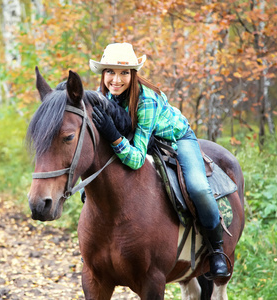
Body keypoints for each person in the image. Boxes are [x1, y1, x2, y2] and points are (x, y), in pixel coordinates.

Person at [89, 42, 230, 280]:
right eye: (110, 72)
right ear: (103, 74)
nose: (116, 79)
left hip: (176, 138)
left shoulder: (147, 100)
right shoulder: (103, 95)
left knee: (198, 187)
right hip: (138, 136)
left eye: (124, 72)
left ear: (133, 75)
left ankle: (216, 249)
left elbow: (135, 159)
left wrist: (112, 135)